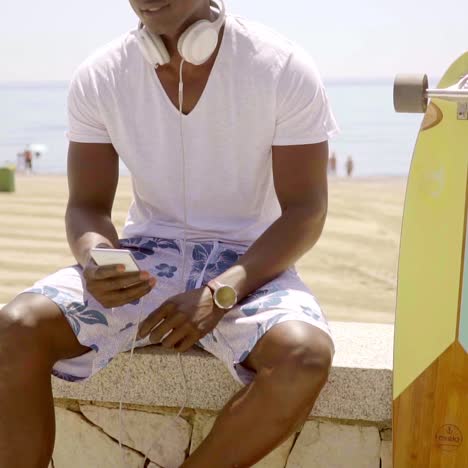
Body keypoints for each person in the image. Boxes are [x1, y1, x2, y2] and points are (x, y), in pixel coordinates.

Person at [0, 1, 339, 466]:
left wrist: (222, 291)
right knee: (15, 327)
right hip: (146, 258)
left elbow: (306, 211)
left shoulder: (280, 66)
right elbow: (86, 206)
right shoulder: (101, 74)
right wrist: (96, 256)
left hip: (250, 263)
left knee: (304, 356)